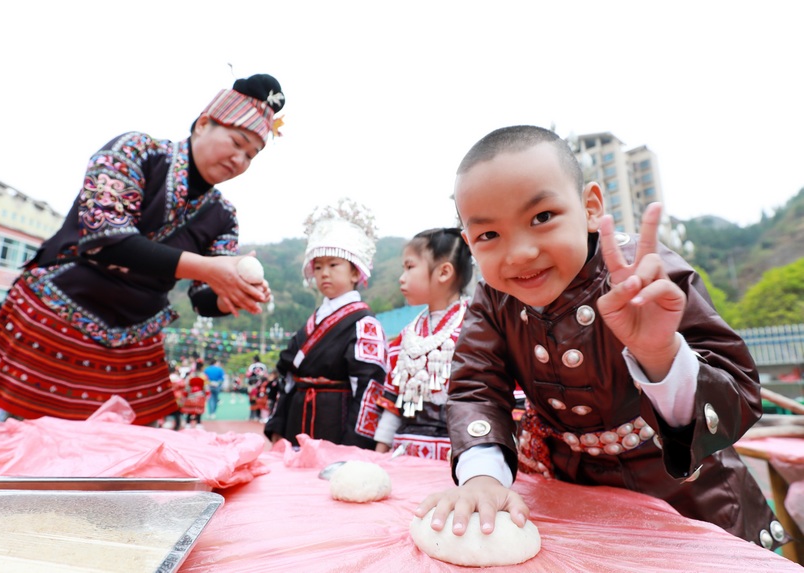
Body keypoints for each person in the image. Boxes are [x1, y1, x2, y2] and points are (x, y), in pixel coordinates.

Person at [415, 125, 786, 551]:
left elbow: (739, 393)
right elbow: (477, 386)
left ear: (591, 207)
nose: (518, 253)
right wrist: (482, 477)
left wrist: (662, 356)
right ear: (469, 243)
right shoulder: (493, 298)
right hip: (574, 497)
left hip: (690, 499)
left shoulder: (645, 272)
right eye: (489, 235)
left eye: (542, 218)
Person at [0, 73, 285, 426]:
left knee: (120, 460)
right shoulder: (137, 150)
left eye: (252, 155)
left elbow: (202, 298)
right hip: (58, 314)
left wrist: (226, 298)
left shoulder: (223, 215)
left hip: (135, 337)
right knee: (28, 445)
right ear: (203, 124)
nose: (240, 160)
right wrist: (212, 270)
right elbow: (106, 237)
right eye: (237, 141)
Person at [265, 199, 387, 449]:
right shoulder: (313, 321)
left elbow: (368, 388)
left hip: (335, 427)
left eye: (334, 264)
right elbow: (288, 376)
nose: (324, 273)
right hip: (296, 422)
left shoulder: (364, 324)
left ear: (355, 272)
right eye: (318, 267)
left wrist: (354, 445)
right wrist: (278, 426)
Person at [371, 228, 473, 461]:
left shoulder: (477, 331)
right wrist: (379, 455)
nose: (402, 277)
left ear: (444, 272)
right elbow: (393, 405)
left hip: (460, 462)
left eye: (409, 267)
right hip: (404, 458)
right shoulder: (407, 337)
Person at [180, 362, 208, 428]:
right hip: (200, 395)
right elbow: (206, 387)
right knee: (198, 411)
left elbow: (187, 386)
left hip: (191, 395)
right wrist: (206, 394)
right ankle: (198, 423)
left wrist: (185, 394)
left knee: (189, 411)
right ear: (201, 367)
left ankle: (187, 423)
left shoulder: (191, 375)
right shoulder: (203, 376)